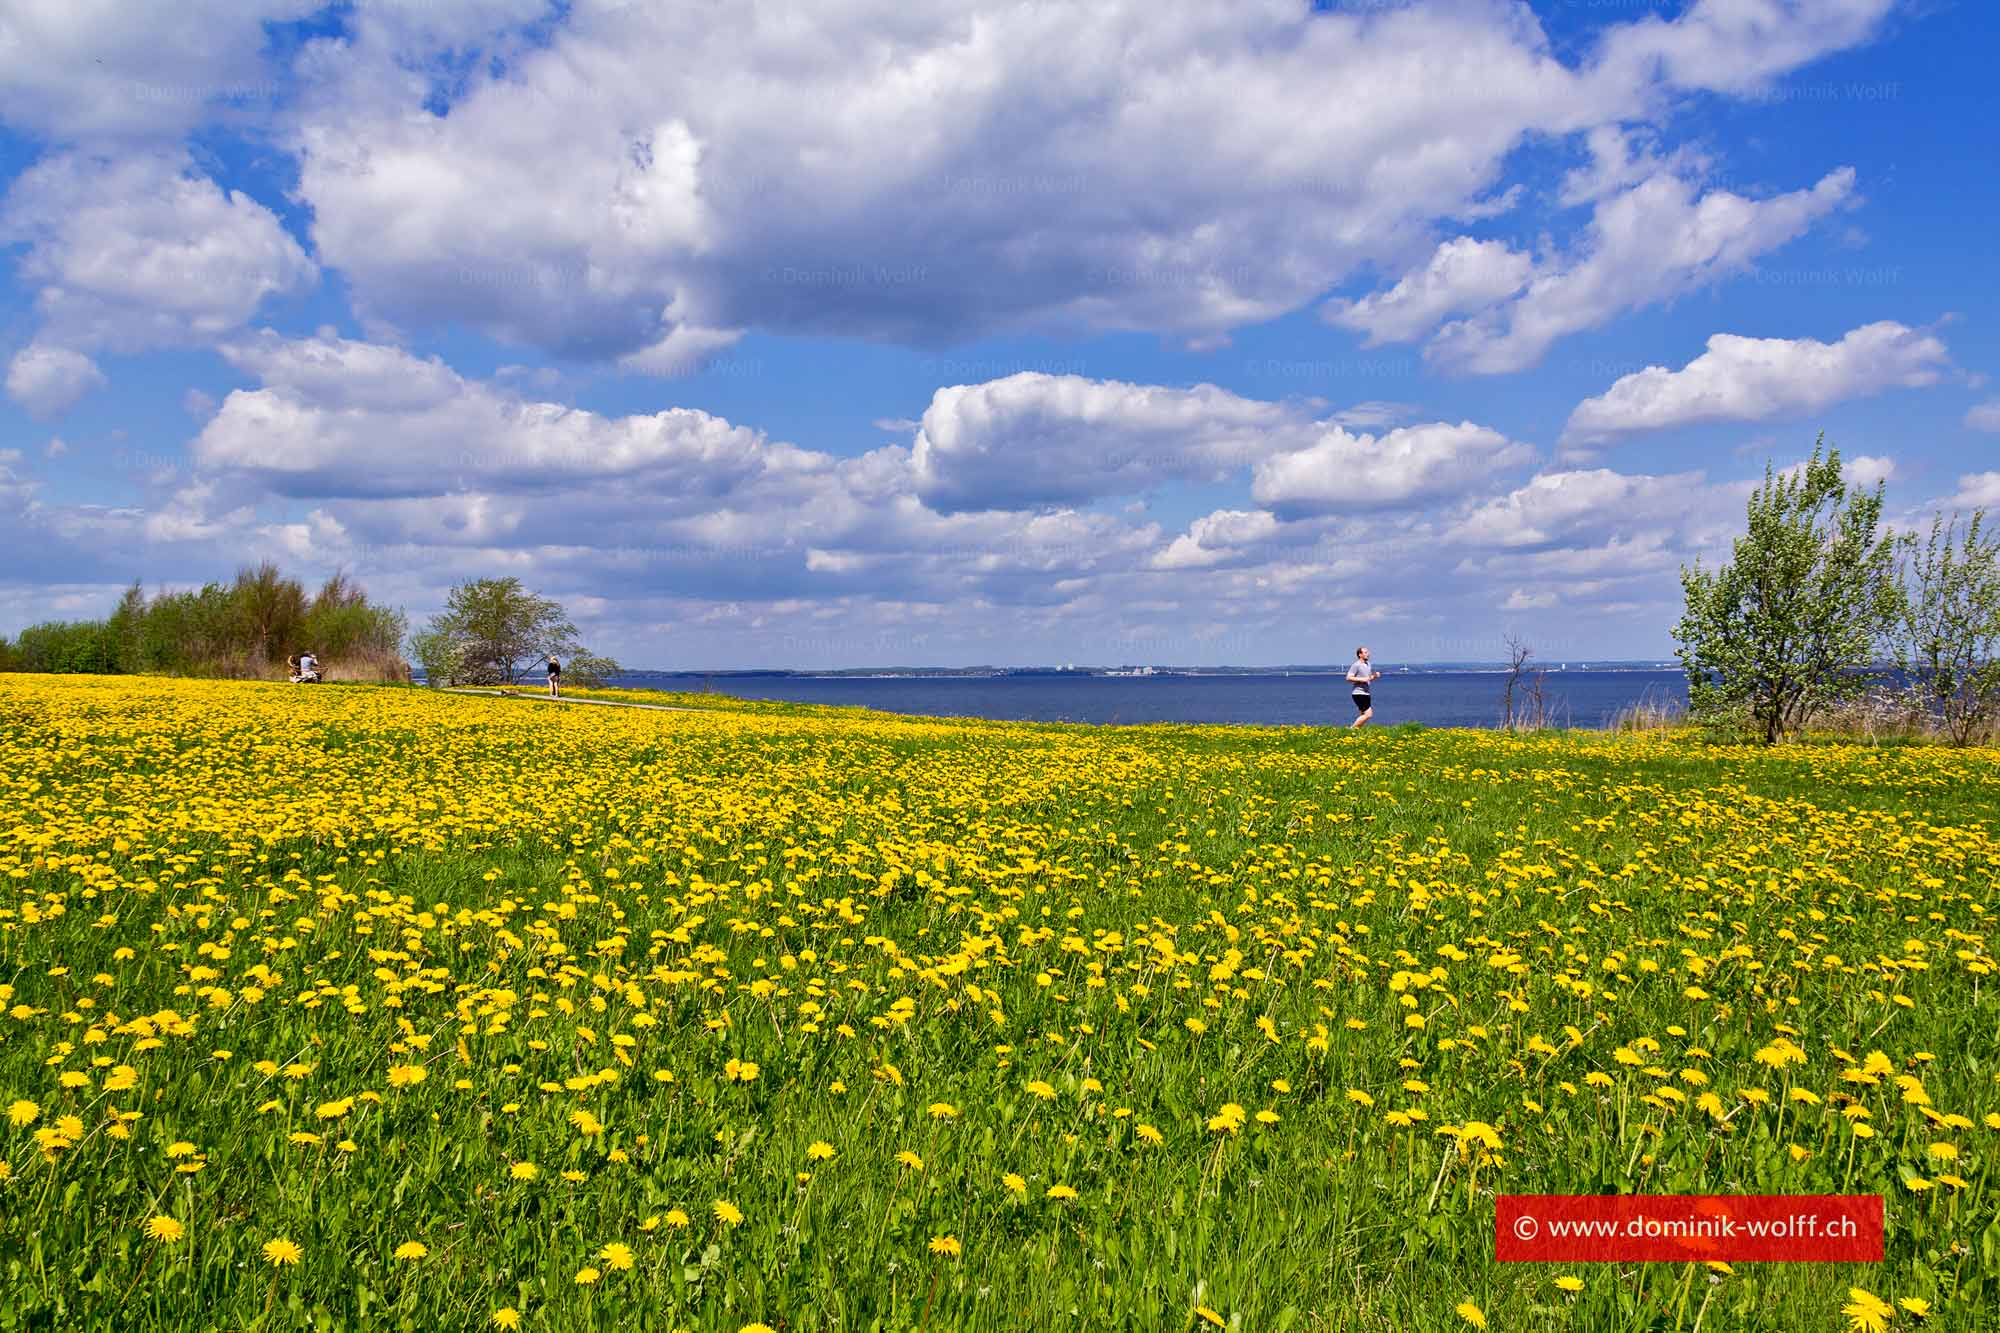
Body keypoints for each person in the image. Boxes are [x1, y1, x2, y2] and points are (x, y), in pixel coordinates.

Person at [1346, 645, 1380, 727]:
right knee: (1368, 714)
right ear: (1360, 655)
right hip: (1358, 693)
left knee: (1363, 714)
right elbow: (1348, 678)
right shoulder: (1356, 665)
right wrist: (1362, 679)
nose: (1368, 654)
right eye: (1365, 652)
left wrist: (1374, 676)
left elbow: (1367, 678)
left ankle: (1357, 732)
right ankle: (1351, 729)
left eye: (1368, 652)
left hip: (1366, 693)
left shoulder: (1368, 664)